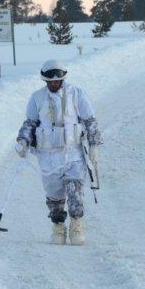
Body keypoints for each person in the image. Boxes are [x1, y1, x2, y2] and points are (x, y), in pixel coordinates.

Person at [15, 60, 102, 246]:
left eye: (57, 81)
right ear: (45, 80)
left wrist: (94, 144)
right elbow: (30, 123)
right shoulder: (37, 98)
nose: (53, 84)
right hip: (48, 157)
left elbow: (90, 120)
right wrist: (23, 141)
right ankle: (58, 226)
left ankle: (77, 225)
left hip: (73, 154)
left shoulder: (76, 94)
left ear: (62, 79)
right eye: (50, 81)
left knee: (75, 191)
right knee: (54, 197)